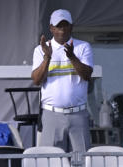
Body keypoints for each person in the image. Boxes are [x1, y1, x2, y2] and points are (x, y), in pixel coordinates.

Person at [31, 9, 93, 153]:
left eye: (66, 25)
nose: (62, 30)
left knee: (82, 163)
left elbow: (87, 75)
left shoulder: (83, 47)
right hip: (51, 114)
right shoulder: (41, 49)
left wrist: (72, 56)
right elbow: (36, 80)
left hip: (78, 113)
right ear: (51, 28)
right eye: (59, 26)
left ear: (72, 27)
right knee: (51, 164)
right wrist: (47, 57)